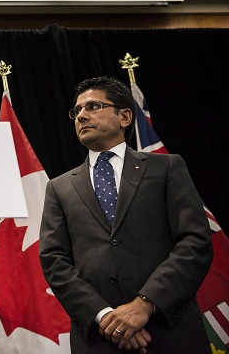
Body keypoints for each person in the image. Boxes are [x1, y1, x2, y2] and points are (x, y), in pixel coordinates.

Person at [39, 76, 213, 354]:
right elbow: (53, 260)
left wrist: (143, 305)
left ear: (124, 116)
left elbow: (195, 242)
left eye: (93, 106)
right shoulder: (59, 187)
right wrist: (106, 317)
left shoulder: (167, 167)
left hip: (169, 330)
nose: (81, 116)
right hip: (99, 338)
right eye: (76, 111)